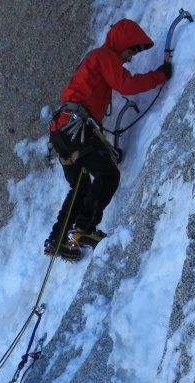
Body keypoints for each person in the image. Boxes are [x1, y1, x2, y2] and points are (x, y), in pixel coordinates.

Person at [44, 19, 172, 260]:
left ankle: (58, 239)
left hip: (61, 130)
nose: (131, 57)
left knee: (80, 185)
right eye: (131, 50)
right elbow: (126, 84)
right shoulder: (104, 55)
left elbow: (115, 81)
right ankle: (82, 230)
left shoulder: (98, 59)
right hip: (75, 127)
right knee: (108, 175)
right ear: (122, 43)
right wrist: (160, 75)